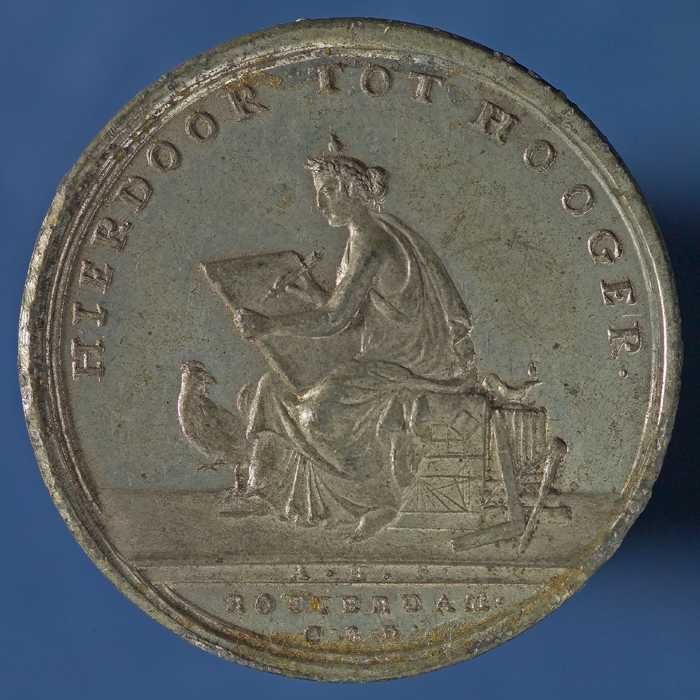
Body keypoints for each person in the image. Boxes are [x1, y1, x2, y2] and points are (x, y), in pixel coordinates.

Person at [229, 144, 479, 540]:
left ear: (353, 190)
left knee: (316, 416)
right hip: (377, 357)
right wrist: (312, 294)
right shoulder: (361, 236)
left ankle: (376, 500)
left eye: (328, 190)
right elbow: (358, 313)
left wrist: (269, 324)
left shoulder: (371, 241)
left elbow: (337, 319)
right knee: (270, 387)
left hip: (402, 363)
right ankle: (264, 490)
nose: (319, 203)